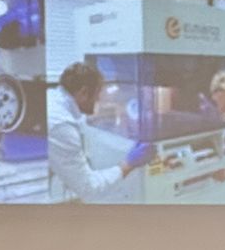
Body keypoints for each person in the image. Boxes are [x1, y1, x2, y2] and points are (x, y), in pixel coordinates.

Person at [47, 61, 153, 202]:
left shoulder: (54, 99)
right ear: (84, 92)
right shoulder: (62, 126)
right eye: (98, 93)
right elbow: (89, 189)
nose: (99, 99)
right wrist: (129, 163)